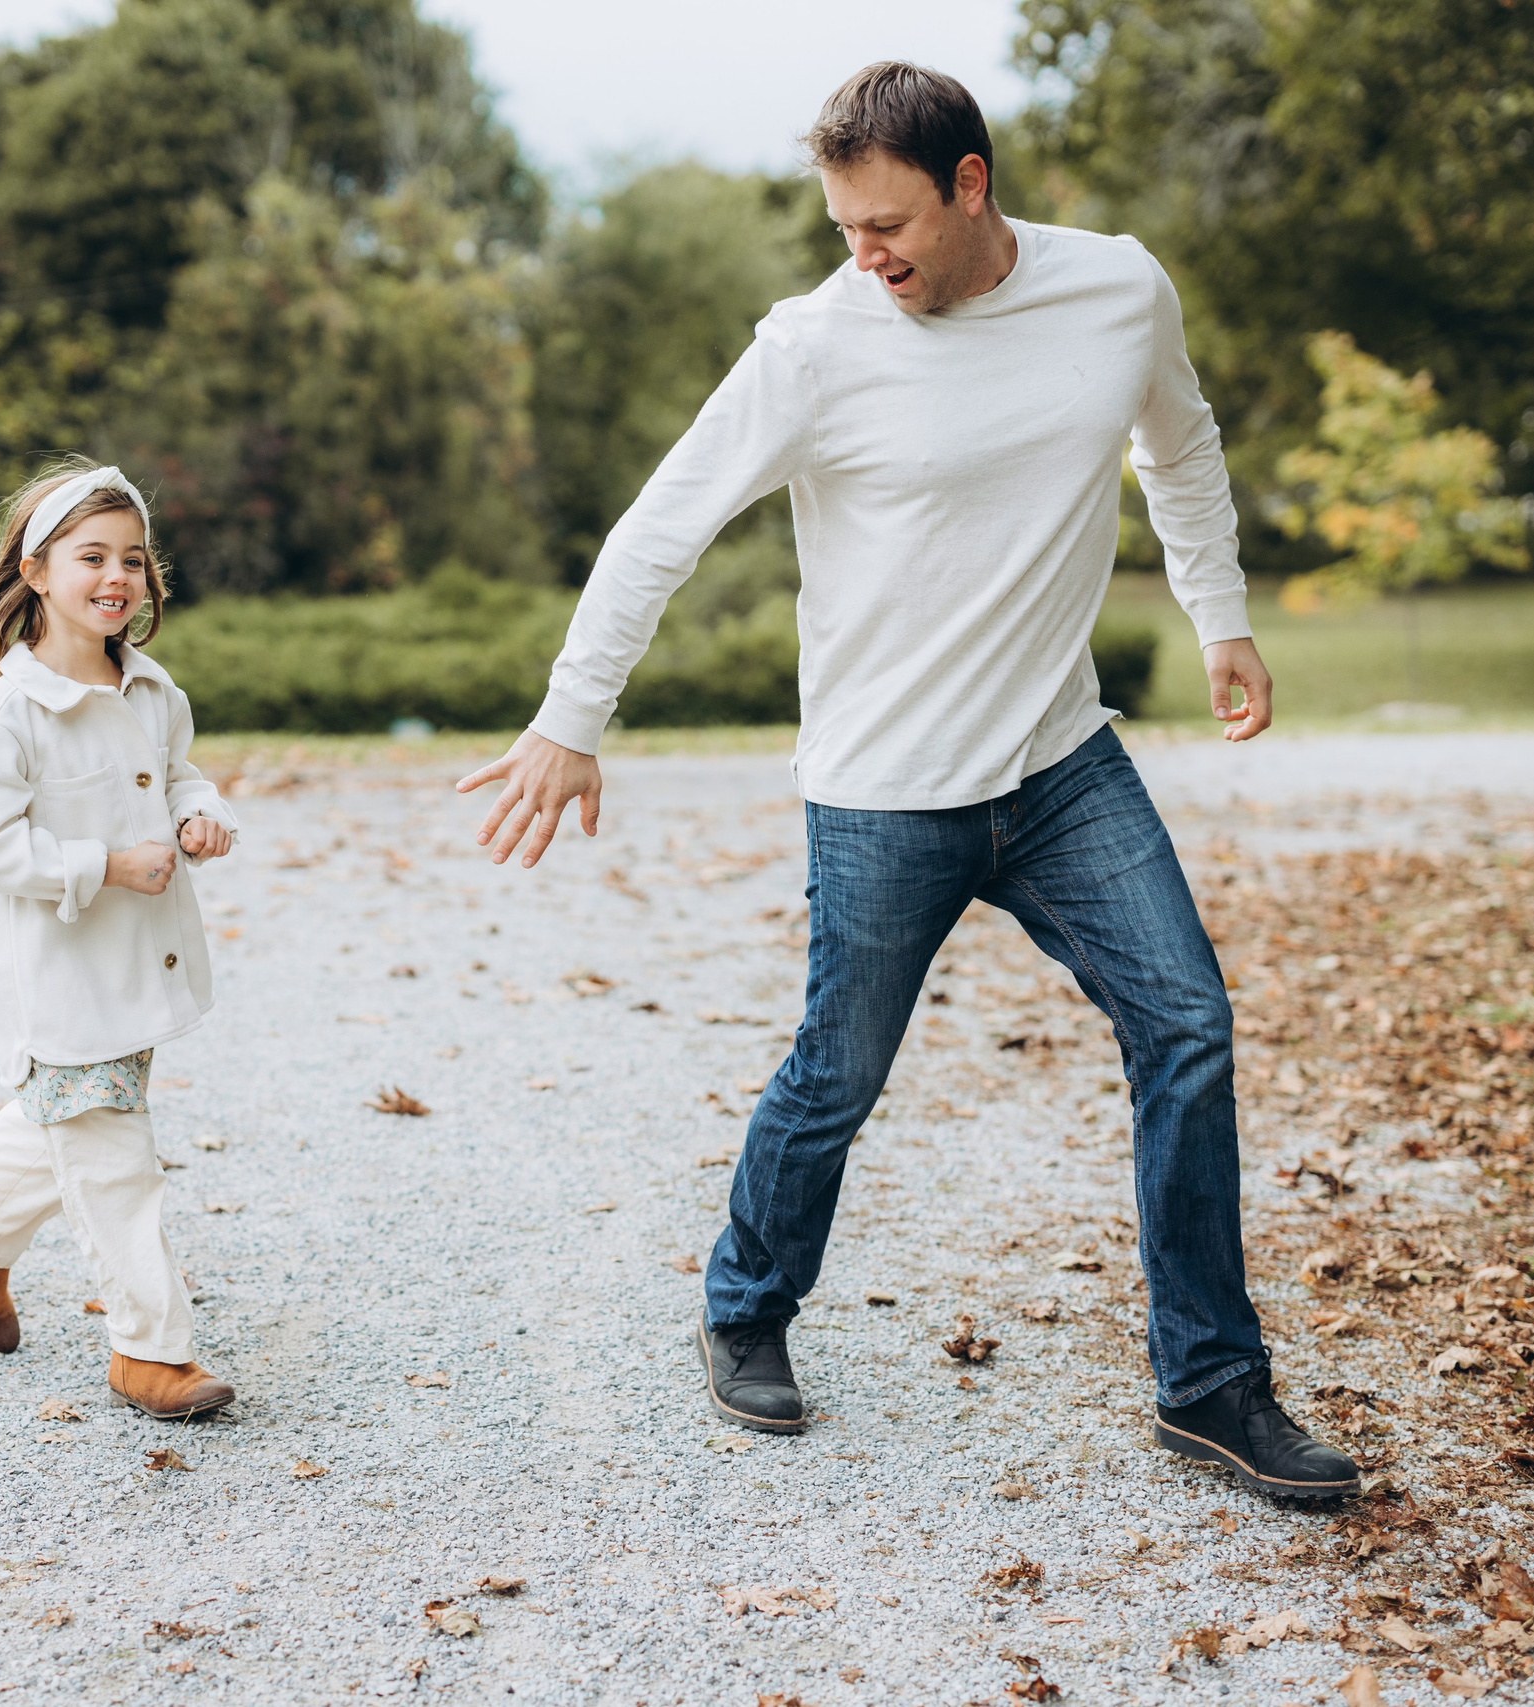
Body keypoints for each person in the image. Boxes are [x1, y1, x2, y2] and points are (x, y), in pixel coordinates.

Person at [458, 63, 1356, 1501]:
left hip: (1062, 766)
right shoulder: (816, 344)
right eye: (844, 232)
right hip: (883, 790)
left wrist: (1221, 611)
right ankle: (746, 1299)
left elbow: (1179, 446)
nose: (866, 259)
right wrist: (573, 716)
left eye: (888, 227)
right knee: (838, 1071)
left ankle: (1211, 1382)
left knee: (1187, 1026)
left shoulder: (1117, 292)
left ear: (972, 185)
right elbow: (659, 527)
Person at [0, 460, 243, 1423]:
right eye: (92, 557)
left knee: (56, 1122)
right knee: (113, 1161)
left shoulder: (151, 691)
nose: (118, 578)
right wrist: (105, 864)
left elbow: (179, 773)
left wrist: (201, 813)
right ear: (35, 570)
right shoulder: (5, 717)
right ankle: (150, 1352)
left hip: (135, 968)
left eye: (135, 560)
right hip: (60, 979)